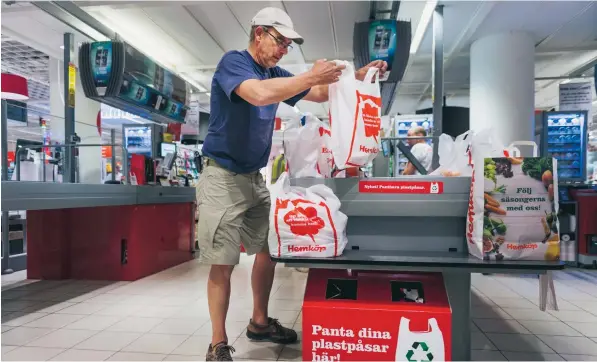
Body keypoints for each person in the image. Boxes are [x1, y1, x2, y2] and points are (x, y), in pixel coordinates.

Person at [197, 7, 387, 361]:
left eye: (288, 44)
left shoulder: (276, 71)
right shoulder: (234, 63)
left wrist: (358, 77)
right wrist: (307, 76)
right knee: (222, 261)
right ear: (259, 34)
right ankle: (217, 343)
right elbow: (257, 94)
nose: (284, 49)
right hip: (222, 177)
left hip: (254, 177)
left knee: (266, 251)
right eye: (280, 41)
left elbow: (318, 93)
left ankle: (258, 322)